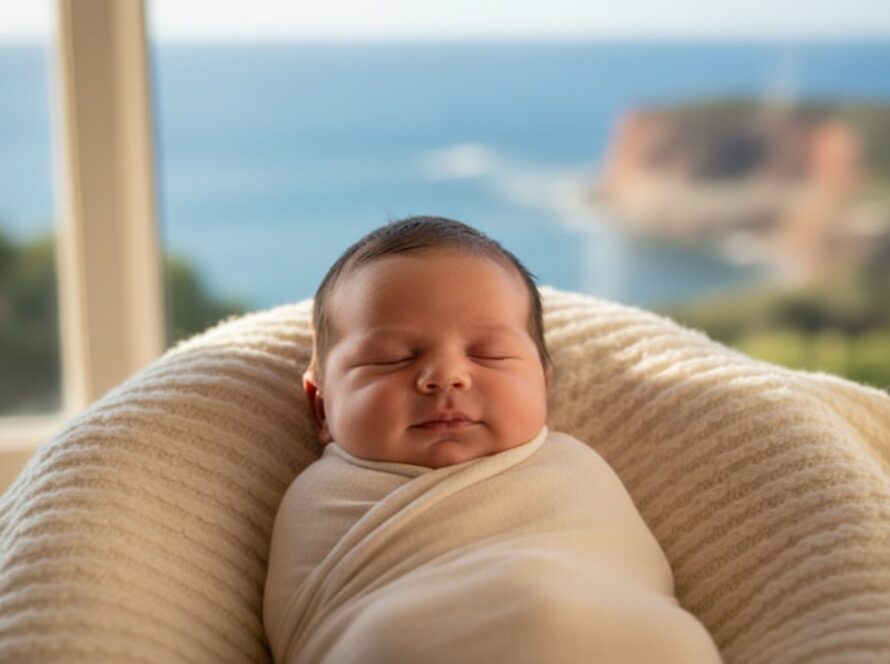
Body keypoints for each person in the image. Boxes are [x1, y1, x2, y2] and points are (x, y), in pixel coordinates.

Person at [263, 216, 722, 663]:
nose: (446, 376)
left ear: (543, 385)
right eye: (389, 358)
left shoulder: (575, 469)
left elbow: (629, 578)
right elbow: (313, 629)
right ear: (322, 407)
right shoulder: (320, 497)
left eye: (491, 353)